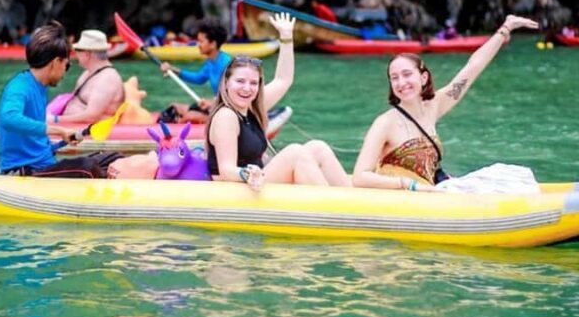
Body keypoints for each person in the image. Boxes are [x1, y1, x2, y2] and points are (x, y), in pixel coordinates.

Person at [352, 15, 539, 192]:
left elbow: (473, 67)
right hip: (402, 197)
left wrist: (505, 28)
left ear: (423, 77)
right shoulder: (385, 123)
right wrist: (409, 185)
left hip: (429, 192)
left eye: (407, 74)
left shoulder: (433, 106)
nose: (401, 83)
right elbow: (360, 177)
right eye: (394, 78)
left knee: (512, 177)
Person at [207, 13, 350, 190]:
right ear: (226, 83)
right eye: (240, 81)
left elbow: (284, 79)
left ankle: (354, 201)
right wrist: (248, 173)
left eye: (254, 83)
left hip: (258, 178)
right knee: (295, 153)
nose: (247, 88)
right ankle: (333, 208)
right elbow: (226, 171)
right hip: (238, 188)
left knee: (317, 148)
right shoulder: (226, 116)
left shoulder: (251, 106)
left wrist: (286, 37)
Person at [0, 21, 121, 178]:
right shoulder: (19, 87)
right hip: (25, 169)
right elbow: (8, 118)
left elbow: (36, 143)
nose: (65, 72)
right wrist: (59, 130)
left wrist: (58, 142)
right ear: (56, 63)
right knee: (86, 167)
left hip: (45, 163)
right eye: (66, 65)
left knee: (112, 157)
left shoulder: (40, 86)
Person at [159, 18, 232, 123]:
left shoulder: (226, 64)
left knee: (190, 117)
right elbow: (199, 78)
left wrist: (212, 102)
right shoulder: (211, 61)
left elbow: (232, 96)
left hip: (226, 111)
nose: (198, 45)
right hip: (215, 107)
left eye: (201, 41)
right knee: (173, 108)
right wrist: (173, 70)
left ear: (213, 44)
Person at [47, 29, 124, 125]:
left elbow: (91, 117)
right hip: (71, 126)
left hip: (86, 132)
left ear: (87, 54)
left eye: (78, 50)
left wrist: (56, 119)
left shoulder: (106, 80)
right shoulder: (88, 73)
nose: (75, 54)